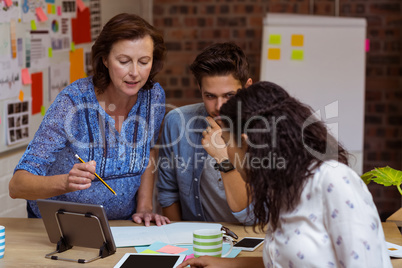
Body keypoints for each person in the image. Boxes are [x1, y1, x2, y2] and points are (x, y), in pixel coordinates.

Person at [178, 81, 392, 268]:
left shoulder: (334, 181)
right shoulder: (282, 188)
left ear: (246, 142)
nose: (226, 151)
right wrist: (229, 264)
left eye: (226, 142)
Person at [9, 13, 170, 226]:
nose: (135, 72)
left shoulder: (153, 96)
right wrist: (66, 182)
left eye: (144, 62)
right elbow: (17, 186)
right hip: (62, 225)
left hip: (123, 226)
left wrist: (145, 207)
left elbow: (148, 149)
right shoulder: (73, 101)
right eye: (124, 61)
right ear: (104, 59)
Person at [157, 42, 254, 224]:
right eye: (210, 96)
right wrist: (178, 242)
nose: (219, 107)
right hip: (198, 243)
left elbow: (251, 217)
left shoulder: (265, 132)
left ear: (247, 87)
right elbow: (168, 193)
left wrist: (223, 158)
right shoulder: (178, 122)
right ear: (200, 90)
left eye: (229, 96)